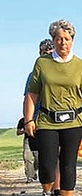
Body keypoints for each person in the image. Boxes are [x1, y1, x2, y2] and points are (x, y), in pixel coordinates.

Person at [23, 20, 82, 196]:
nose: (62, 43)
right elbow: (32, 94)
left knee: (68, 165)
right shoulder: (42, 63)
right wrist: (29, 120)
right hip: (47, 121)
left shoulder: (80, 65)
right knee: (48, 166)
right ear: (53, 40)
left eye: (66, 39)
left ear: (72, 40)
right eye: (58, 39)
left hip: (73, 122)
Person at [18, 39, 55, 183]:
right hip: (40, 121)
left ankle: (58, 192)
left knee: (57, 158)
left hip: (59, 120)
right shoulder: (33, 75)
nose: (47, 57)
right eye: (44, 53)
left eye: (50, 53)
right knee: (45, 158)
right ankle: (49, 190)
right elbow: (28, 99)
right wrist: (28, 120)